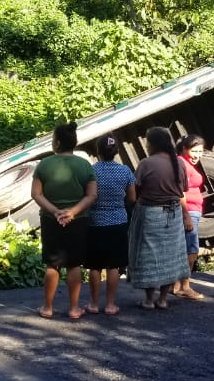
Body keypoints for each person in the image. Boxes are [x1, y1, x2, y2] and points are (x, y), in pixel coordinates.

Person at [30, 122, 97, 320]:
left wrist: (56, 211)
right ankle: (74, 308)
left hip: (51, 220)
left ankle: (48, 308)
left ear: (57, 143)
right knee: (74, 265)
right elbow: (92, 195)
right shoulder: (84, 165)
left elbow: (36, 194)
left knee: (53, 265)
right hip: (78, 220)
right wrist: (72, 212)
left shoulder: (44, 164)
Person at [127, 126, 190, 310]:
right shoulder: (179, 163)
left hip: (150, 212)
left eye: (148, 142)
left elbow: (136, 191)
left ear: (153, 144)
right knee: (170, 256)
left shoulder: (146, 163)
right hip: (174, 214)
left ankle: (148, 300)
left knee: (149, 255)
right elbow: (182, 191)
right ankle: (163, 299)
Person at [83, 135, 136, 316]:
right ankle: (111, 304)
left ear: (98, 152)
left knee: (95, 266)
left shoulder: (91, 171)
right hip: (118, 222)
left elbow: (86, 196)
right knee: (114, 265)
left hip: (95, 222)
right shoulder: (125, 171)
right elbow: (132, 198)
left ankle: (94, 304)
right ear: (116, 151)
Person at [173, 134, 207, 300]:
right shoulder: (181, 163)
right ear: (185, 149)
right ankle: (184, 286)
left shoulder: (185, 163)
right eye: (194, 151)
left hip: (193, 210)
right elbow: (179, 191)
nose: (197, 155)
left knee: (185, 248)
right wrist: (186, 216)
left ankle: (177, 285)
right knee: (191, 248)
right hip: (188, 211)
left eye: (200, 151)